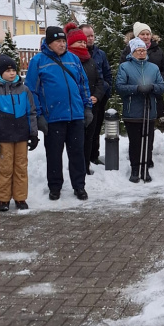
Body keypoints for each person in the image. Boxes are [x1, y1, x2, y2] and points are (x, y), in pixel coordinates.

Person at [25, 26, 93, 201]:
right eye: (58, 41)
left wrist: (86, 108)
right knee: (54, 155)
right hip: (53, 117)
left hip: (76, 115)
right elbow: (32, 90)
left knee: (77, 153)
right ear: (49, 43)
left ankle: (79, 186)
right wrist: (39, 115)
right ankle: (55, 187)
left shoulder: (74, 59)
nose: (62, 44)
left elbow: (83, 85)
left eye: (64, 41)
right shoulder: (38, 61)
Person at [0, 54, 38, 211]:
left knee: (21, 167)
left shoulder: (24, 90)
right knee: (5, 168)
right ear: (1, 73)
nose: (11, 73)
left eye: (13, 70)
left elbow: (31, 112)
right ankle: (4, 199)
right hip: (4, 136)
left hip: (21, 135)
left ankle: (20, 198)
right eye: (7, 71)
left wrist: (33, 134)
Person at [115, 37, 164, 183]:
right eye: (139, 50)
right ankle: (135, 168)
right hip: (133, 110)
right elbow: (120, 87)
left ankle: (145, 168)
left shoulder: (153, 68)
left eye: (144, 49)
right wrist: (136, 89)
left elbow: (161, 86)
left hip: (149, 109)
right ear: (133, 52)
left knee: (148, 141)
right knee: (135, 142)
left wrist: (152, 88)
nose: (142, 52)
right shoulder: (125, 66)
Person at [65, 24, 105, 175]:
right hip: (74, 107)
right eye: (79, 42)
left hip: (92, 105)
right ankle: (76, 167)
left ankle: (86, 165)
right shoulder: (68, 61)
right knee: (76, 140)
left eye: (84, 42)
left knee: (89, 138)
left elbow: (100, 81)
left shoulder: (90, 61)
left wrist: (97, 96)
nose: (83, 44)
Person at [121, 22, 164, 132]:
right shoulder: (129, 50)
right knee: (137, 127)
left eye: (148, 34)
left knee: (150, 125)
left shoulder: (157, 50)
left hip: (154, 91)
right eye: (143, 34)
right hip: (136, 93)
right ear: (137, 35)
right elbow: (124, 70)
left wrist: (158, 80)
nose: (146, 36)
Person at [80, 23, 113, 166]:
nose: (90, 38)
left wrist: (103, 93)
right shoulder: (76, 55)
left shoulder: (100, 54)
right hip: (82, 98)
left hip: (99, 98)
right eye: (87, 36)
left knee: (96, 128)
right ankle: (83, 159)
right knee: (84, 131)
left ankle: (94, 155)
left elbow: (107, 76)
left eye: (92, 35)